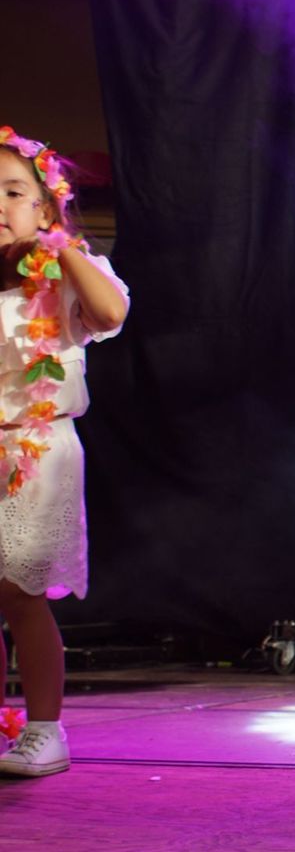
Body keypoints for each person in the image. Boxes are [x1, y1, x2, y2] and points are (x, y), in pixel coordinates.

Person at [0, 127, 130, 777]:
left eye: (13, 191)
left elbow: (109, 313)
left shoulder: (64, 275)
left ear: (46, 207)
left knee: (20, 590)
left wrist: (64, 248)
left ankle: (45, 728)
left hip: (39, 447)